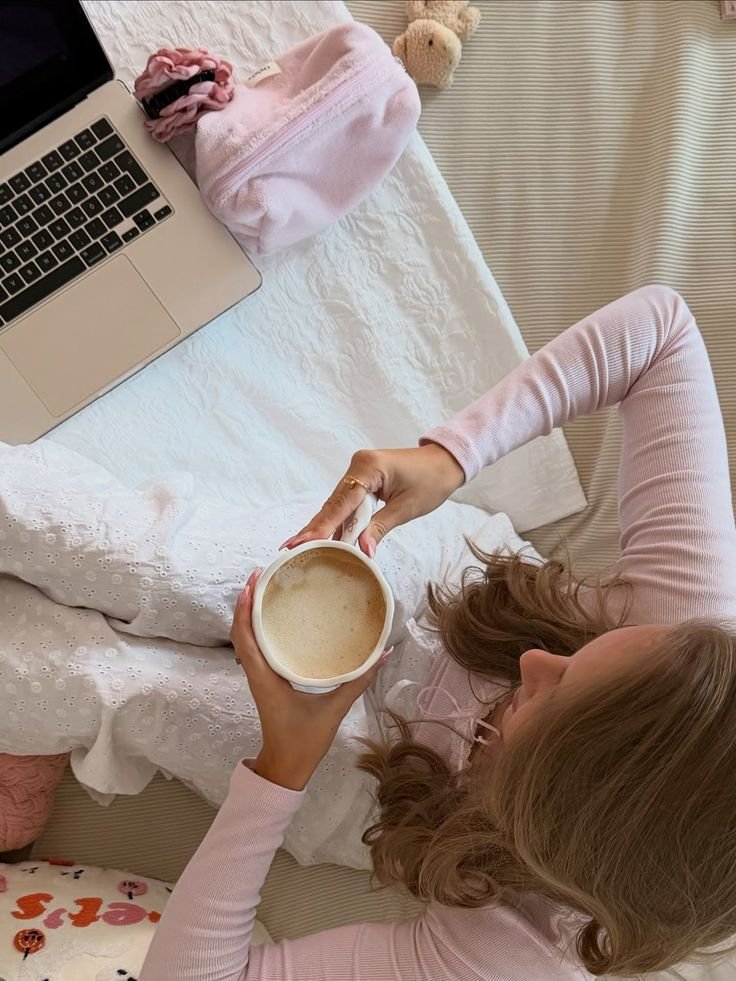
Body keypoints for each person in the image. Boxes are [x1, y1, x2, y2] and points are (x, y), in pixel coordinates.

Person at [141, 285, 736, 980]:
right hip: (437, 598)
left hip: (358, 775)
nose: (536, 660)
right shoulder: (696, 644)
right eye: (581, 657)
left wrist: (282, 765)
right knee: (155, 560)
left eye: (549, 694)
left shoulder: (513, 953)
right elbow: (661, 331)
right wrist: (452, 455)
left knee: (119, 690)